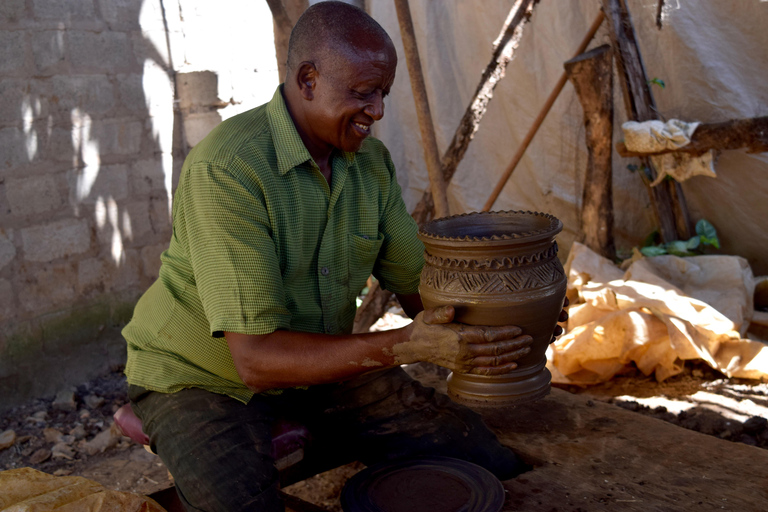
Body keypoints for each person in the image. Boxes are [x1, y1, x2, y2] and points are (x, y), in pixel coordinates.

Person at [123, 2, 564, 511]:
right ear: (308, 79)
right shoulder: (229, 169)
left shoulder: (369, 164)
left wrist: (510, 318)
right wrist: (405, 346)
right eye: (362, 93)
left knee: (480, 454)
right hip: (200, 376)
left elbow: (419, 285)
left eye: (384, 94)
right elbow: (257, 361)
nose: (377, 111)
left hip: (313, 362)